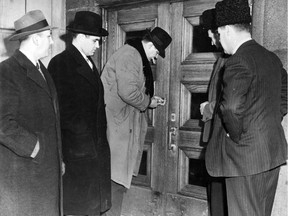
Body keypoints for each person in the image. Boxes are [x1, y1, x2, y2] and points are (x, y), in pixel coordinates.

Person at [205, 0, 288, 216]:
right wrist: (267, 121)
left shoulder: (237, 61)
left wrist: (237, 133)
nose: (220, 42)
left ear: (228, 30)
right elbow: (285, 94)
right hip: (270, 153)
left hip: (244, 159)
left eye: (219, 35)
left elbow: (230, 108)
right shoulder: (271, 58)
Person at [101, 27, 172, 216]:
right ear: (149, 45)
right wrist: (147, 101)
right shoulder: (130, 55)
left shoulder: (134, 54)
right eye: (156, 52)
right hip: (117, 129)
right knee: (114, 182)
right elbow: (128, 92)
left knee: (117, 182)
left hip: (121, 128)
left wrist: (149, 102)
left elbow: (131, 90)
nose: (155, 58)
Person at [48, 11, 111, 216]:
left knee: (91, 208)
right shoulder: (61, 63)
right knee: (78, 208)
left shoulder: (89, 62)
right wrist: (87, 144)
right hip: (78, 154)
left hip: (93, 151)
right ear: (81, 36)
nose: (98, 45)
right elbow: (64, 113)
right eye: (95, 40)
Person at [0, 10, 62, 216]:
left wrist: (57, 158)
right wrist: (36, 149)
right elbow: (2, 124)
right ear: (36, 39)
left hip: (45, 169)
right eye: (48, 37)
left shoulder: (42, 70)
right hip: (24, 173)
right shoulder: (6, 71)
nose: (52, 42)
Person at [199, 8, 228, 216]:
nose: (211, 42)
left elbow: (230, 101)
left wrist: (208, 108)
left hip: (223, 142)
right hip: (214, 141)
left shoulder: (233, 59)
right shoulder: (222, 58)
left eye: (212, 36)